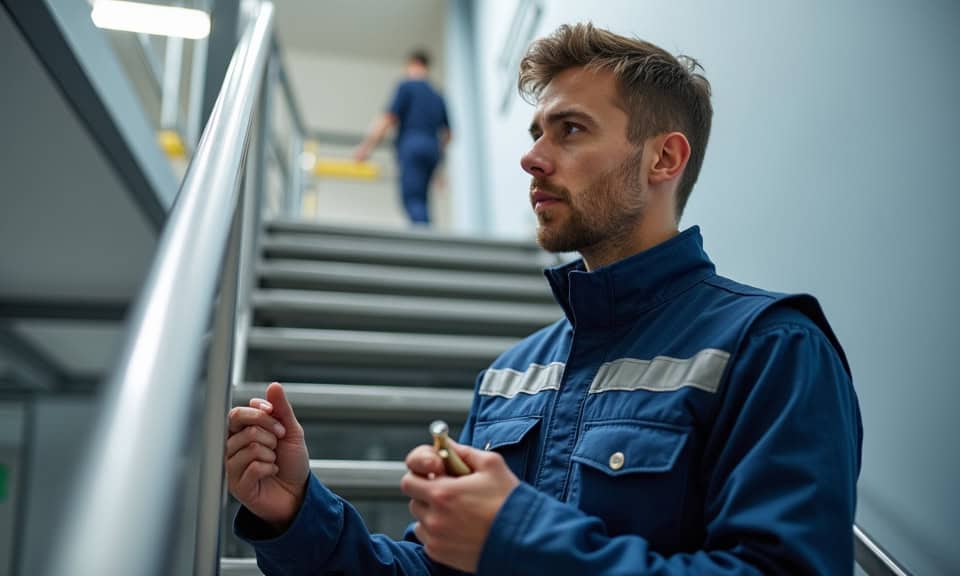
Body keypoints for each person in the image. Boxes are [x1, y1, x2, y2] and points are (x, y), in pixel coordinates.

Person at [227, 23, 862, 575]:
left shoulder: (772, 347)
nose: (532, 158)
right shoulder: (509, 375)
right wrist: (297, 513)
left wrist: (517, 536)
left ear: (663, 157)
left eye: (570, 130)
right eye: (536, 132)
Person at [354, 50, 451, 226]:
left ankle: (423, 240)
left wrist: (366, 147)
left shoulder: (406, 87)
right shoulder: (438, 95)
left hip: (412, 146)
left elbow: (388, 118)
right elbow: (447, 133)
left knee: (412, 198)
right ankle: (426, 235)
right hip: (432, 150)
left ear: (413, 64)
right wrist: (440, 168)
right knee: (422, 199)